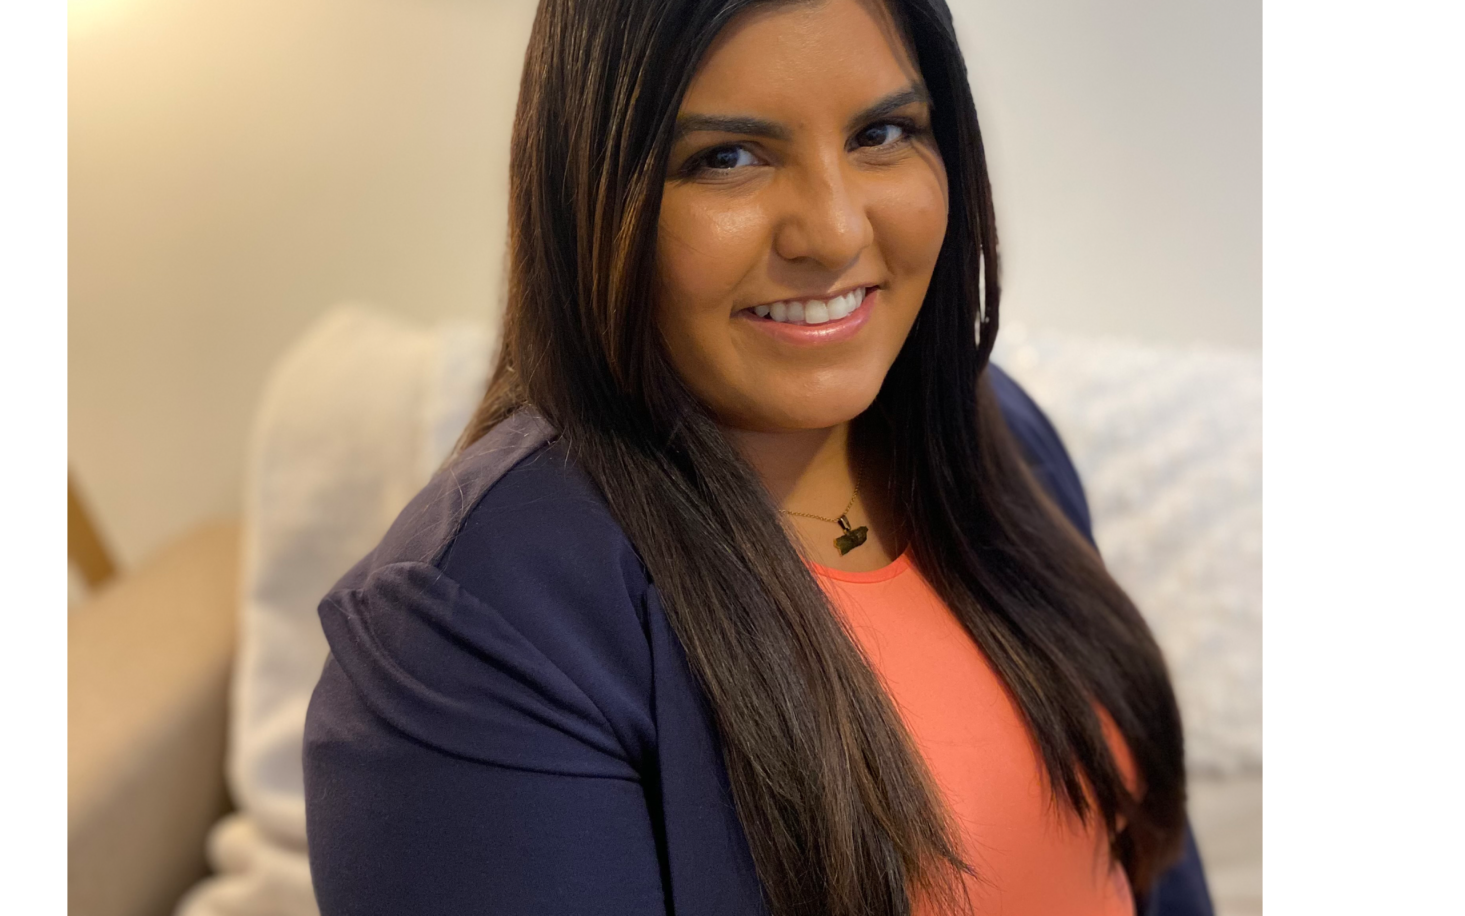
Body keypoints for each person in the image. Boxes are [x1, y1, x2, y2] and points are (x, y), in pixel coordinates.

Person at [302, 0, 1215, 914]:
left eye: (884, 132)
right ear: (591, 194)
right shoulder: (467, 630)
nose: (835, 232)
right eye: (728, 159)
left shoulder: (997, 437)